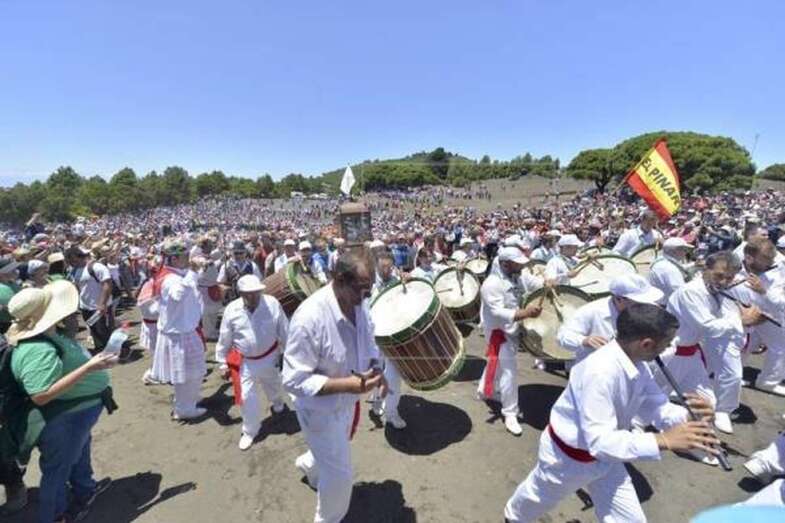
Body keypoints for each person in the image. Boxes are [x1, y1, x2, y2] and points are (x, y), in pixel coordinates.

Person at [504, 304, 719, 522]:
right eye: (666, 343)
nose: (669, 347)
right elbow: (600, 441)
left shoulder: (638, 364)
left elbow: (656, 404)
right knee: (535, 500)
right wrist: (662, 440)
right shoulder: (600, 373)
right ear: (646, 344)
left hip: (608, 459)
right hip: (568, 460)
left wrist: (688, 417)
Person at [282, 249, 387, 523]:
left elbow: (368, 335)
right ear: (338, 279)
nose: (366, 297)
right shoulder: (309, 318)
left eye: (369, 290)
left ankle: (309, 463)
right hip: (320, 411)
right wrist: (347, 385)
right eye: (361, 290)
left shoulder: (358, 302)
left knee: (329, 456)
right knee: (340, 478)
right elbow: (293, 380)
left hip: (345, 403)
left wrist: (377, 366)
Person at [6, 281, 117, 523]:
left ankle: (85, 489)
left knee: (78, 451)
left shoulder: (45, 336)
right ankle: (55, 516)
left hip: (76, 414)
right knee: (56, 472)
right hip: (65, 417)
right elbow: (41, 394)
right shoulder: (38, 348)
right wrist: (89, 367)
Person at [664, 250, 761, 435]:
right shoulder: (691, 291)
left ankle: (696, 439)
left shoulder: (718, 290)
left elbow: (727, 317)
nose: (724, 281)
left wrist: (745, 316)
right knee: (649, 402)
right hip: (671, 355)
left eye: (729, 278)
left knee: (709, 404)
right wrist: (742, 320)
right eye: (719, 275)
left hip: (691, 355)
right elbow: (708, 327)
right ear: (705, 269)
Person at [215, 275, 288, 450]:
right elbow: (224, 337)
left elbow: (284, 329)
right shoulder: (231, 310)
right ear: (240, 293)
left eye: (257, 292)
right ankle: (250, 431)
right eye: (249, 293)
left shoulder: (271, 303)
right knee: (247, 397)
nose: (254, 296)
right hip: (245, 362)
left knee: (274, 385)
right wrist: (223, 363)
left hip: (270, 356)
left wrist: (288, 354)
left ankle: (278, 403)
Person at [476, 246, 543, 436]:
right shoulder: (491, 284)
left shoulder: (518, 275)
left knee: (495, 362)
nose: (521, 266)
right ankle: (510, 413)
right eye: (517, 263)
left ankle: (484, 390)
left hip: (512, 330)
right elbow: (498, 312)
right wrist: (525, 313)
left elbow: (535, 284)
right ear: (506, 264)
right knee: (509, 373)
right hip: (498, 332)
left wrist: (549, 282)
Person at [151, 240, 207, 420]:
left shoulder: (173, 274)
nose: (188, 259)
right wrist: (192, 271)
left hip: (183, 330)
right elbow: (178, 295)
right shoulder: (170, 279)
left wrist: (194, 271)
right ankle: (184, 408)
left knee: (189, 372)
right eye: (184, 257)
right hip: (180, 333)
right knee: (187, 373)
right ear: (174, 259)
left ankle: (187, 399)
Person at [557, 274, 663, 364]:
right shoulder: (591, 311)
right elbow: (563, 336)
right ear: (619, 299)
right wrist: (584, 341)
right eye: (638, 302)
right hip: (596, 373)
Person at [731, 237, 785, 396]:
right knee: (742, 344)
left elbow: (781, 302)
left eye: (772, 258)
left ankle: (767, 382)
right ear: (749, 257)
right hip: (740, 312)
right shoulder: (735, 261)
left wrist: (764, 292)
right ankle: (733, 375)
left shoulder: (780, 264)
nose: (771, 262)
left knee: (780, 347)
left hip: (769, 314)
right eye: (765, 259)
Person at [65, 246, 114, 353]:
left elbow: (107, 284)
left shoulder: (96, 267)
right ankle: (102, 350)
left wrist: (102, 303)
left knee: (104, 330)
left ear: (76, 257)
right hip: (85, 307)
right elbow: (78, 287)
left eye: (71, 260)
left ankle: (114, 352)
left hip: (99, 307)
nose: (71, 263)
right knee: (94, 331)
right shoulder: (75, 270)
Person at [648, 237, 693, 303]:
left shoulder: (662, 262)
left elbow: (680, 267)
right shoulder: (670, 269)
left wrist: (694, 265)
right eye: (684, 249)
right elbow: (680, 293)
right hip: (664, 308)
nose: (686, 252)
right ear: (675, 251)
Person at [0, 256, 21, 335]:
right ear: (2, 274)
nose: (16, 271)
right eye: (11, 269)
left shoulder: (12, 283)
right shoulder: (2, 289)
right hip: (9, 328)